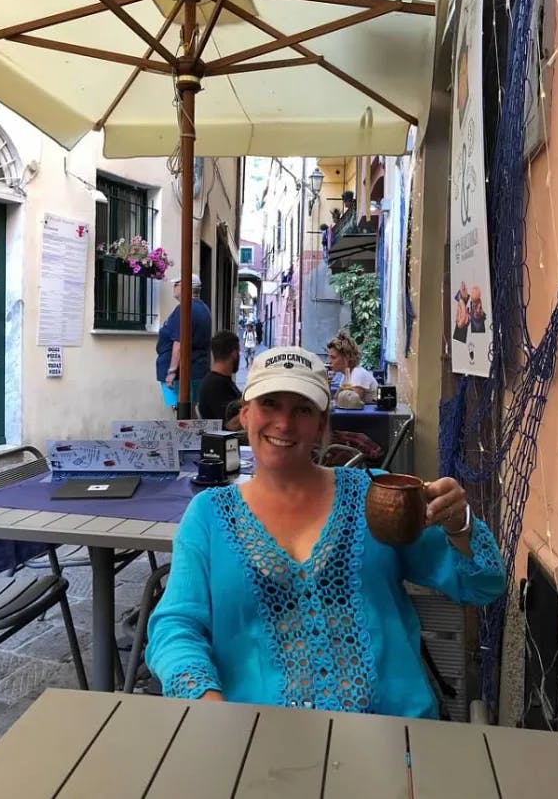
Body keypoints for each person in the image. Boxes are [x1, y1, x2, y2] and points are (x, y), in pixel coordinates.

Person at [147, 346, 505, 718]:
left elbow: (484, 585)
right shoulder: (208, 516)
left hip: (391, 743)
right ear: (244, 414)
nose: (284, 424)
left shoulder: (378, 496)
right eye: (270, 404)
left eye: (302, 409)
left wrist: (458, 523)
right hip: (253, 743)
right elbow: (175, 628)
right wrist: (207, 702)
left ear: (320, 424)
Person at [156, 274, 212, 411]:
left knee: (181, 412)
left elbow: (179, 342)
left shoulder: (184, 309)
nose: (173, 287)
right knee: (189, 410)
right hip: (197, 368)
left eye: (176, 284)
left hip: (182, 373)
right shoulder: (204, 309)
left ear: (185, 287)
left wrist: (172, 371)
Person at [197, 330, 241, 425]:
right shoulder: (215, 385)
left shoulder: (222, 381)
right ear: (234, 354)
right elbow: (229, 424)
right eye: (239, 352)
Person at [326, 330, 378, 403]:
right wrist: (327, 384)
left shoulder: (358, 374)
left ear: (347, 357)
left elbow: (350, 402)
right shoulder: (346, 375)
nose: (329, 361)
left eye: (333, 357)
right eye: (329, 357)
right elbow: (335, 400)